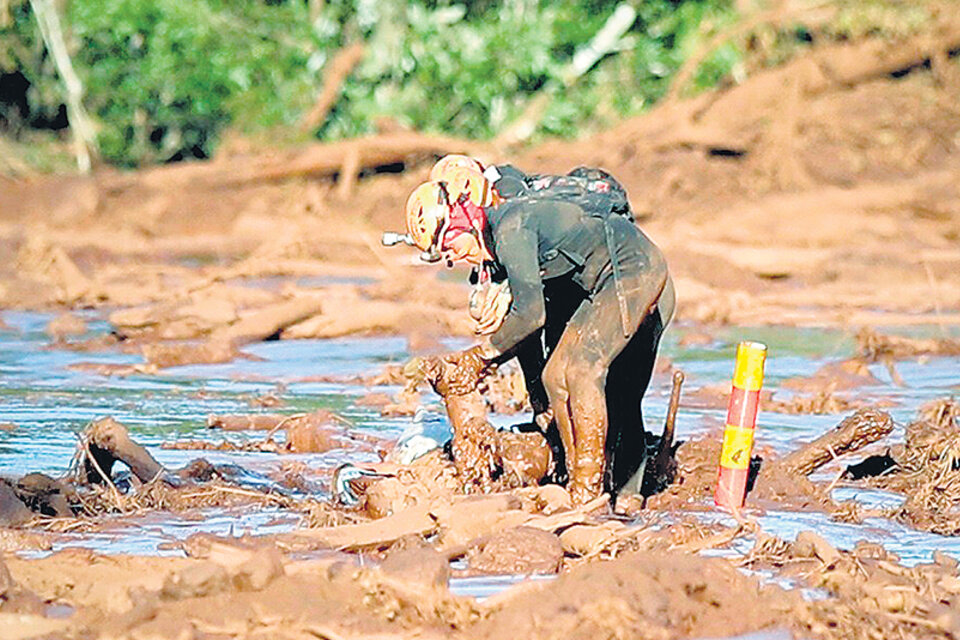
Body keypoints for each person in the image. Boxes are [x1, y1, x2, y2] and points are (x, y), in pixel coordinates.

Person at [401, 169, 674, 504]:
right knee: (554, 375)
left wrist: (479, 358)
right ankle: (578, 480)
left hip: (633, 268)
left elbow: (531, 316)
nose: (452, 257)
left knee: (583, 372)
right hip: (599, 284)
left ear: (467, 222)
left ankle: (590, 495)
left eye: (450, 245)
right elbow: (530, 335)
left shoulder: (510, 230)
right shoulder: (497, 247)